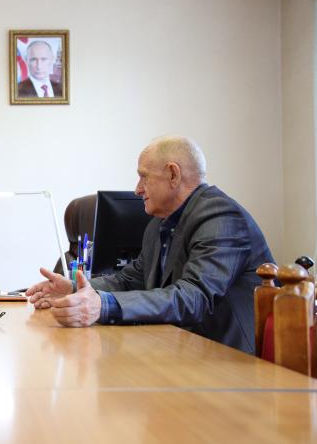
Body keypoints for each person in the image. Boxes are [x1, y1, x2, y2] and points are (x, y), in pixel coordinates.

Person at [26, 136, 272, 354]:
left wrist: (103, 305)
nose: (137, 189)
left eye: (144, 176)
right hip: (180, 350)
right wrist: (72, 289)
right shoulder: (159, 223)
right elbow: (130, 279)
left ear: (173, 174)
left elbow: (192, 298)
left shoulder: (220, 216)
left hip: (228, 362)